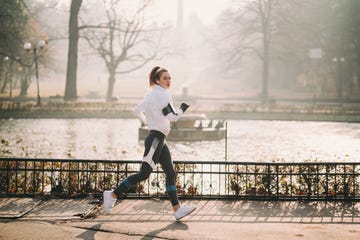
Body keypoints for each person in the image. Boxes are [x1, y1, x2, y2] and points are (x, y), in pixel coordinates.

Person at [103, 66, 196, 221]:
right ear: (157, 80)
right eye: (165, 78)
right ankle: (112, 194)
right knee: (144, 174)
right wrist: (182, 109)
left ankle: (177, 209)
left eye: (170, 78)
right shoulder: (162, 95)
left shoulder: (151, 94)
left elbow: (136, 111)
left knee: (170, 173)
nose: (168, 81)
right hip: (155, 140)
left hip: (158, 138)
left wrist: (148, 123)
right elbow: (172, 117)